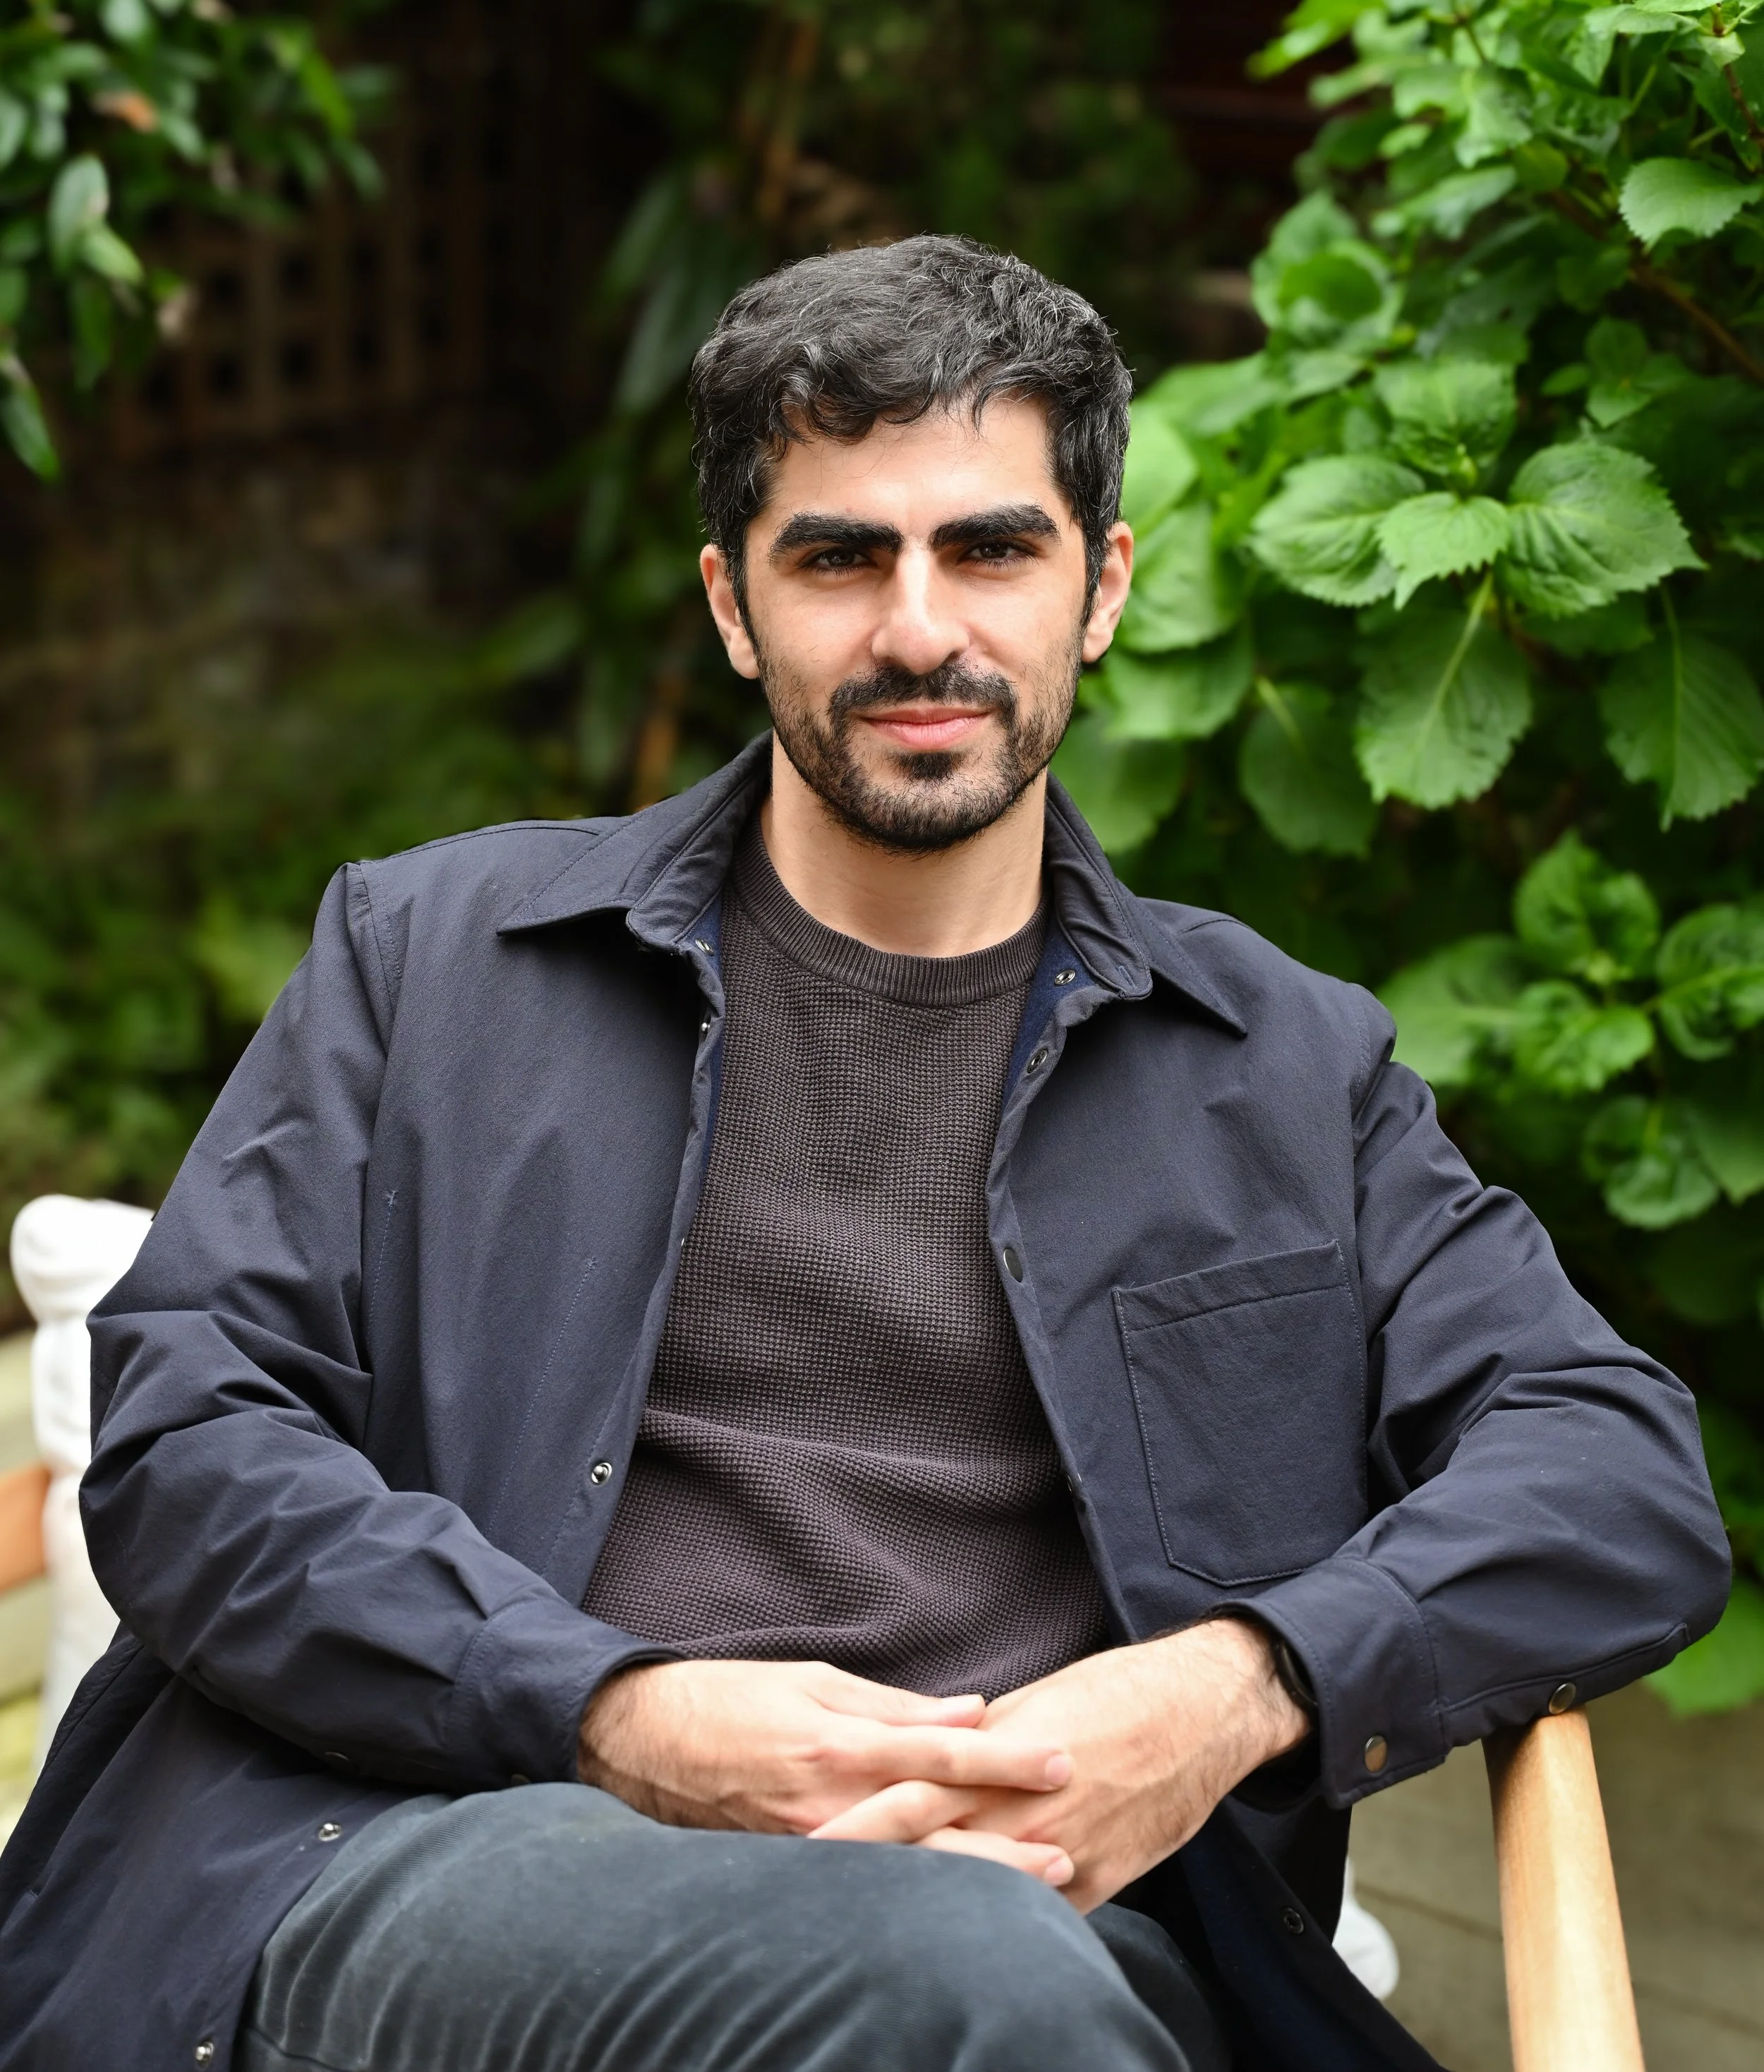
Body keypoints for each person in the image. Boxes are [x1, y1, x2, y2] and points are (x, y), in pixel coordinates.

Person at [0, 237, 1729, 2072]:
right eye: (839, 557)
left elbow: (1613, 1469)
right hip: (448, 1847)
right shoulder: (434, 960)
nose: (920, 629)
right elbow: (188, 1435)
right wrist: (606, 1707)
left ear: (1101, 588)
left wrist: (1239, 1687)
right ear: (733, 606)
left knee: (1001, 1983)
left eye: (991, 549)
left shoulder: (1285, 1073)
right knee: (978, 1990)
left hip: (1052, 1939)